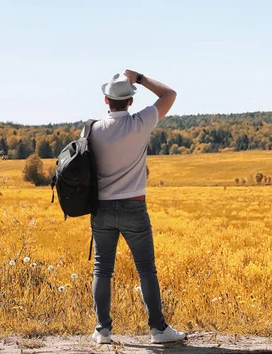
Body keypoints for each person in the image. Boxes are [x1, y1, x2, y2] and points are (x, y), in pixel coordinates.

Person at [89, 70, 186, 344]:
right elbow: (170, 95)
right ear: (130, 102)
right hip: (134, 207)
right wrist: (140, 79)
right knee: (146, 269)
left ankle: (103, 331)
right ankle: (158, 330)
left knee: (102, 269)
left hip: (102, 210)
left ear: (106, 100)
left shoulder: (93, 129)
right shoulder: (141, 122)